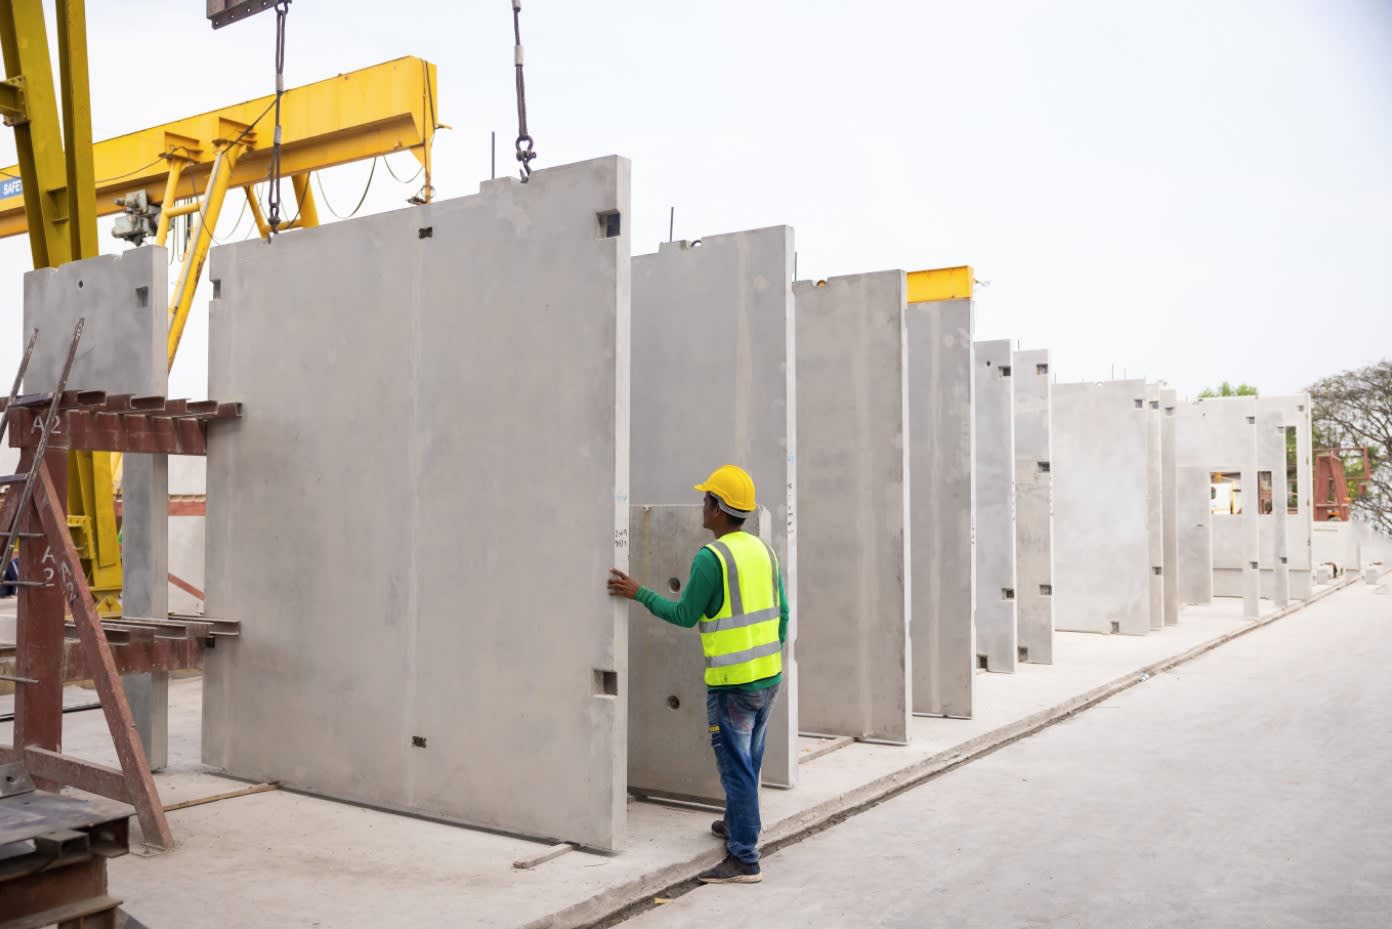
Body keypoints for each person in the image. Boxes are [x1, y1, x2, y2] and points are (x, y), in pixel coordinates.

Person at [607, 465, 788, 885]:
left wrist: (639, 592)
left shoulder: (713, 558)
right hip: (768, 677)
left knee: (736, 767)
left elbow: (685, 613)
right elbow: (785, 614)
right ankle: (736, 823)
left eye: (706, 500)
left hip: (733, 685)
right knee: (750, 759)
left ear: (720, 510)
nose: (701, 506)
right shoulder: (765, 551)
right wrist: (768, 658)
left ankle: (745, 858)